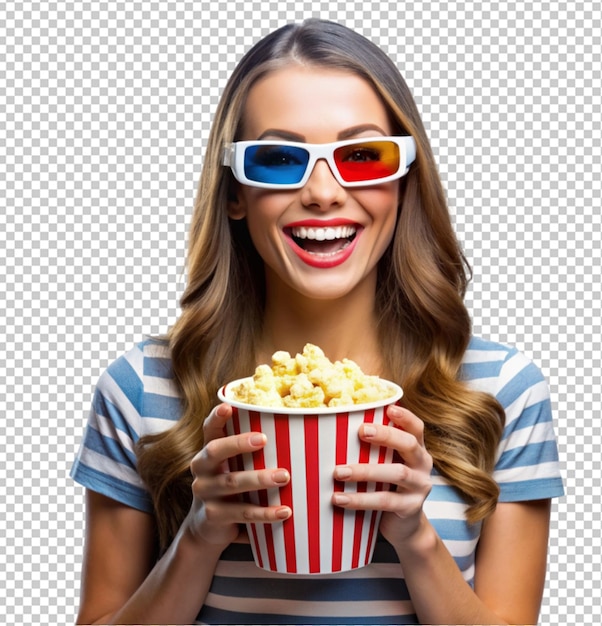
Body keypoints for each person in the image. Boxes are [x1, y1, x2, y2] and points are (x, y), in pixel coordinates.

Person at [70, 18, 564, 625]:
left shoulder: (501, 390)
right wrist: (198, 537)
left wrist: (416, 537)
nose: (324, 193)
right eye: (279, 160)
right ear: (234, 193)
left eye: (362, 157)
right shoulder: (143, 389)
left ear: (405, 184)